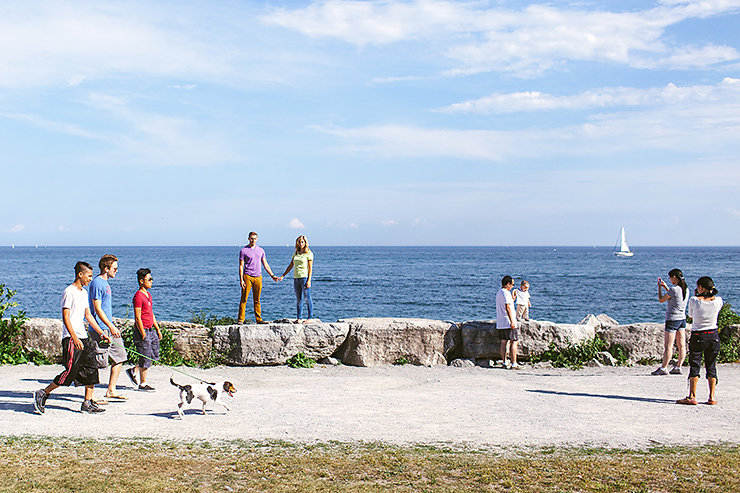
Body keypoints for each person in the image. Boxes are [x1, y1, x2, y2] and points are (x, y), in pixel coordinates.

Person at [33, 261, 111, 414]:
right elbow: (66, 317)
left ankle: (87, 403)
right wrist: (74, 337)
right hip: (71, 338)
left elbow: (88, 316)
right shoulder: (69, 292)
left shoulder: (83, 293)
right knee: (70, 371)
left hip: (84, 337)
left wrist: (101, 333)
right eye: (88, 276)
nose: (90, 279)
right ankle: (43, 392)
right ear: (80, 274)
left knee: (91, 369)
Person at [88, 254, 128, 401]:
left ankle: (111, 389)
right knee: (97, 362)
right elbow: (97, 308)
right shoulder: (97, 283)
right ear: (106, 268)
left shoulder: (105, 283)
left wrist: (111, 326)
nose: (116, 271)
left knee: (120, 355)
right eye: (114, 268)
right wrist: (111, 326)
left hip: (108, 327)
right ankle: (89, 395)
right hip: (100, 328)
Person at [677, 277, 722, 405]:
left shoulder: (694, 300)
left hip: (698, 335)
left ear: (701, 287)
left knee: (695, 364)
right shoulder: (718, 301)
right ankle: (712, 397)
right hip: (713, 335)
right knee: (711, 365)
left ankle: (692, 396)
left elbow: (690, 315)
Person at [125, 268, 161, 392]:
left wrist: (157, 328)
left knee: (152, 355)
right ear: (141, 281)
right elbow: (137, 317)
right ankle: (143, 383)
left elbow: (151, 313)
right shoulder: (138, 296)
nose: (151, 281)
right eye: (149, 279)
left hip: (151, 330)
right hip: (143, 330)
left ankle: (133, 370)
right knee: (145, 357)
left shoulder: (148, 295)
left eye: (152, 279)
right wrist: (143, 334)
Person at [652, 268, 688, 376]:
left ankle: (663, 368)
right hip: (682, 319)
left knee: (668, 345)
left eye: (670, 278)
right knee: (682, 345)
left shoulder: (673, 289)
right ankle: (678, 366)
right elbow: (674, 297)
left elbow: (661, 299)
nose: (670, 280)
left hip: (672, 319)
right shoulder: (685, 288)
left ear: (674, 277)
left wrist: (659, 288)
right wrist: (665, 287)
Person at [237, 231, 278, 324]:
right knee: (244, 299)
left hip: (258, 277)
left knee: (257, 299)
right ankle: (240, 320)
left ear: (257, 239)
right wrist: (241, 280)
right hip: (247, 276)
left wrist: (272, 275)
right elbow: (241, 266)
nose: (253, 240)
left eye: (255, 239)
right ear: (248, 239)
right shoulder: (243, 250)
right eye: (251, 238)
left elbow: (265, 264)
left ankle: (259, 319)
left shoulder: (261, 251)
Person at [278, 235, 314, 322]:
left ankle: (310, 318)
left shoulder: (309, 253)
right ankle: (299, 318)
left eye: (302, 242)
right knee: (299, 299)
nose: (301, 243)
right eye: (299, 242)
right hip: (296, 278)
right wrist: (283, 275)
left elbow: (310, 268)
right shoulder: (296, 253)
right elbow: (290, 265)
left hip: (304, 278)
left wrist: (309, 280)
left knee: (307, 298)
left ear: (305, 243)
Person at [496, 275, 520, 369]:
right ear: (508, 284)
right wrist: (512, 321)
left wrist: (513, 298)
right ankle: (514, 363)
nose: (512, 286)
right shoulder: (506, 293)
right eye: (512, 284)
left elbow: (507, 304)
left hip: (501, 321)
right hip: (508, 321)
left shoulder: (499, 292)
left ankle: (505, 362)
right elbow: (508, 307)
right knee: (514, 341)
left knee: (503, 342)